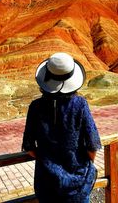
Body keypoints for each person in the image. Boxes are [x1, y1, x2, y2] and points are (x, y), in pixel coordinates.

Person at [22, 52, 102, 203]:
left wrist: (48, 159)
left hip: (46, 184)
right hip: (77, 185)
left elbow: (29, 148)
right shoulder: (80, 105)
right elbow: (92, 146)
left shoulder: (35, 107)